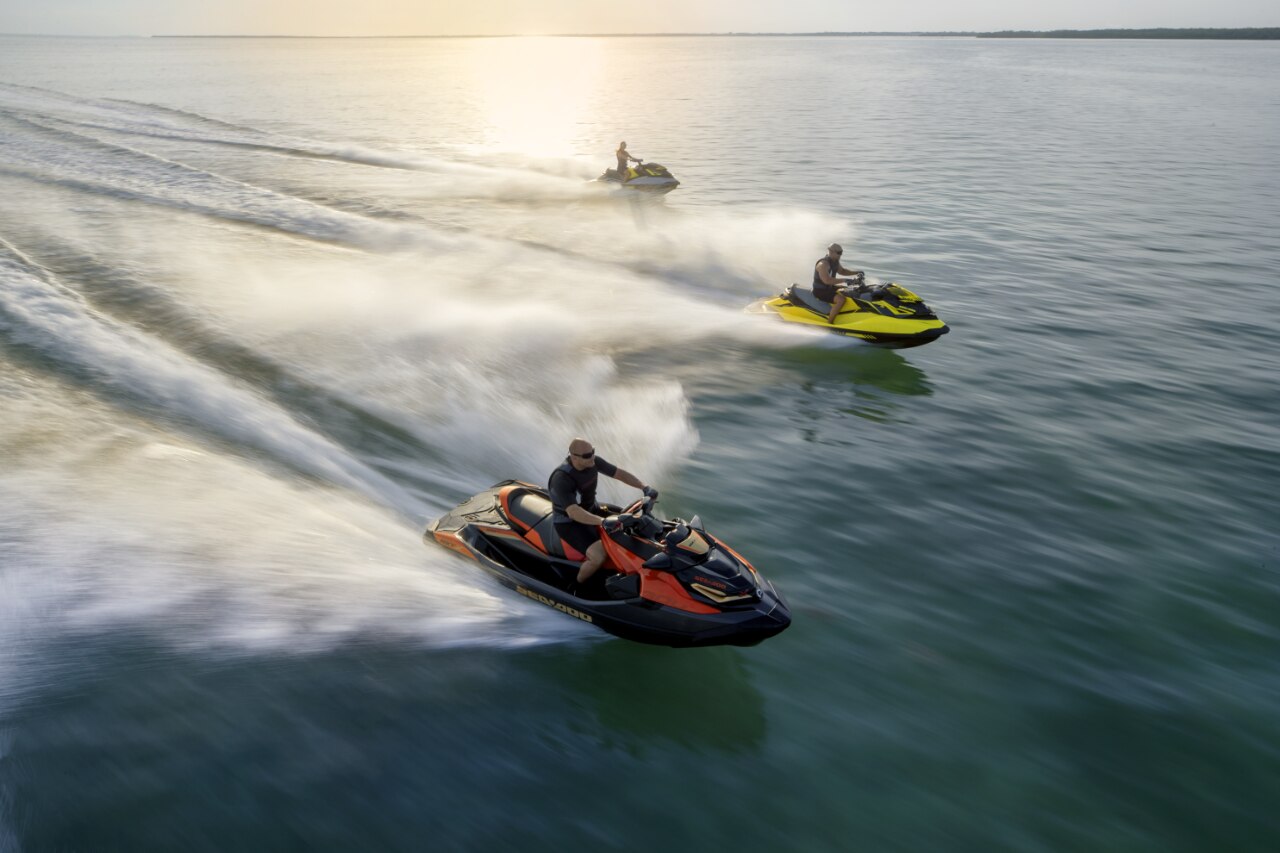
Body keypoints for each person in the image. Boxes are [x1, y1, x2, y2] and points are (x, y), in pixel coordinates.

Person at [548, 437, 656, 591]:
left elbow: (619, 474)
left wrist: (644, 487)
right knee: (598, 556)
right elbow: (573, 512)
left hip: (592, 509)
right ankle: (575, 587)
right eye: (587, 455)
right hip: (569, 523)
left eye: (592, 452)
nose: (592, 456)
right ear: (574, 457)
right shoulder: (561, 479)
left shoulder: (594, 462)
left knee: (634, 520)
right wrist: (602, 522)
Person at [813, 243, 866, 324]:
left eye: (841, 252)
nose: (840, 255)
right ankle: (829, 323)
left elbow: (842, 271)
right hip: (820, 291)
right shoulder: (823, 264)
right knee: (841, 300)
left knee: (849, 291)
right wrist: (845, 280)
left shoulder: (835, 261)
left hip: (829, 287)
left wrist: (857, 272)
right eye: (838, 253)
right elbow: (827, 280)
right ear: (831, 251)